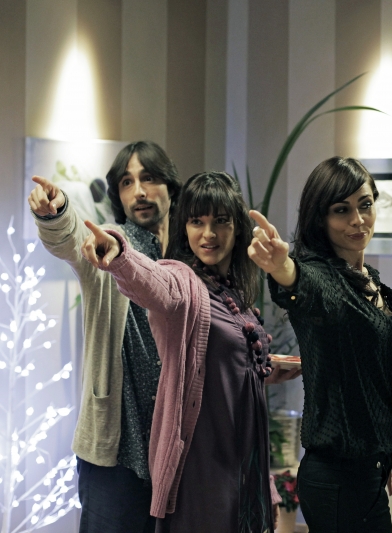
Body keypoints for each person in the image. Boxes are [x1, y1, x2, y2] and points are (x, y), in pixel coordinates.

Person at [80, 171, 296, 532]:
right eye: (197, 221)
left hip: (243, 467)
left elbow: (233, 371)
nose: (208, 234)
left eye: (221, 221)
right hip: (202, 472)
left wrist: (270, 369)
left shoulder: (235, 296)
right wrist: (119, 254)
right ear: (184, 228)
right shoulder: (183, 283)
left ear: (237, 228)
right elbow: (152, 282)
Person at [28, 141, 181, 533]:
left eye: (149, 178)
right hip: (115, 451)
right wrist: (56, 212)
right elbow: (71, 239)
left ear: (170, 186)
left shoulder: (188, 256)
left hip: (177, 450)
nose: (139, 191)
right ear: (118, 195)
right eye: (127, 182)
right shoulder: (110, 246)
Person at [247, 156, 392, 533]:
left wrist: (387, 445)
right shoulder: (321, 278)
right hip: (335, 477)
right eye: (341, 210)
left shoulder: (378, 288)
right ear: (321, 218)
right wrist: (282, 268)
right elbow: (305, 285)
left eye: (365, 205)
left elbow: (375, 381)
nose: (358, 220)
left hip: (368, 471)